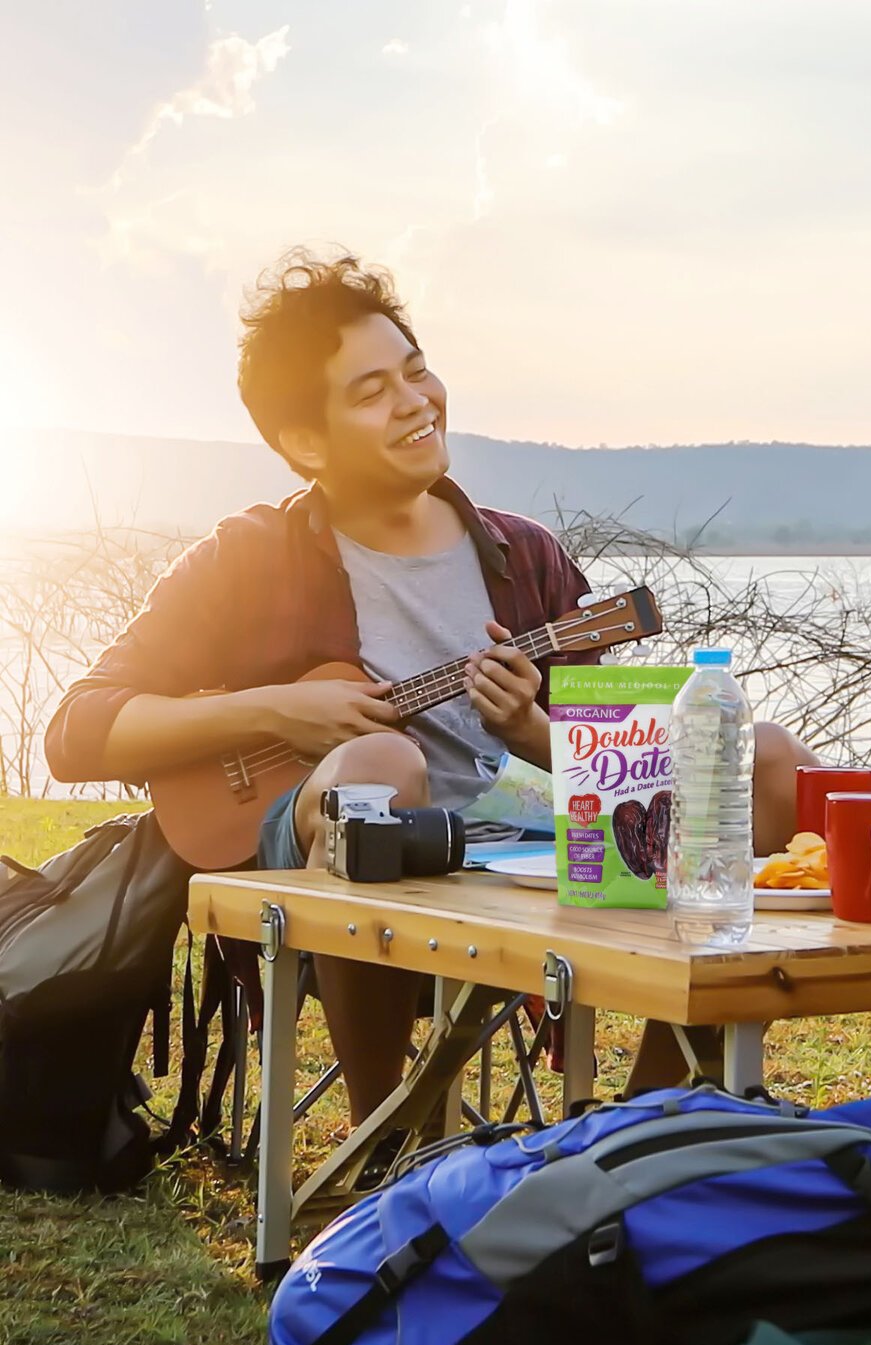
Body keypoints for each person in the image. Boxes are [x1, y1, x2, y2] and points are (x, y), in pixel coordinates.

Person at [44, 250, 816, 1124]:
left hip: (521, 848)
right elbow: (76, 730)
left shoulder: (523, 554)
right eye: (371, 392)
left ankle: (653, 1108)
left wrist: (531, 729)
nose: (415, 401)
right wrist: (278, 711)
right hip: (333, 855)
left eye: (416, 372)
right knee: (381, 763)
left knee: (768, 756)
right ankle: (398, 1132)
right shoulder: (251, 558)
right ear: (304, 441)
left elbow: (616, 765)